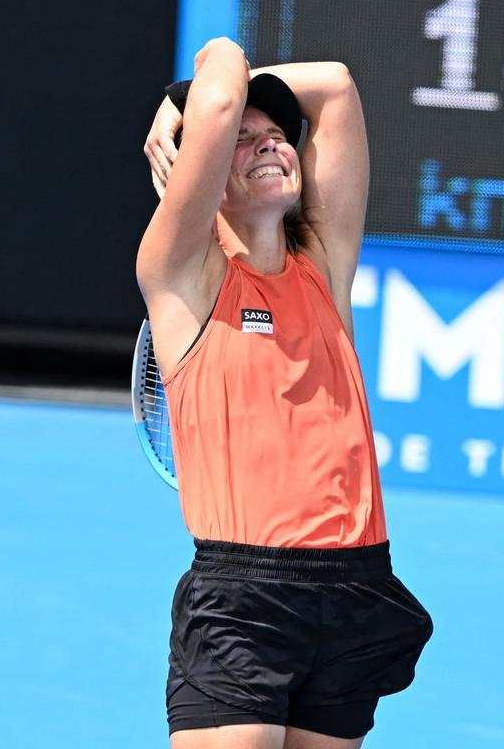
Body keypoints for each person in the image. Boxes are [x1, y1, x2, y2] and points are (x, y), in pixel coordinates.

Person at [137, 37, 432, 749]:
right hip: (247, 599)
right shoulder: (181, 274)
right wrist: (180, 104)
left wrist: (191, 104)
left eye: (277, 136)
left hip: (360, 589)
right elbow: (219, 91)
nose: (270, 145)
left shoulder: (323, 271)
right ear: (195, 166)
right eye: (242, 140)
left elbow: (333, 84)